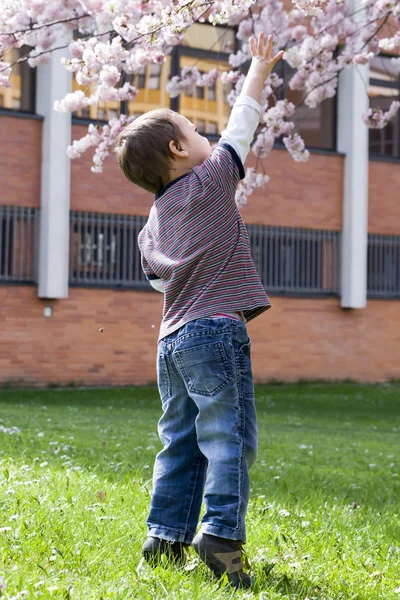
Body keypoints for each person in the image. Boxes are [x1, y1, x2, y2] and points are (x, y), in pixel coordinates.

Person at [115, 32, 283, 589]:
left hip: (171, 341)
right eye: (194, 132)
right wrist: (258, 68)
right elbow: (242, 126)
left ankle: (164, 536)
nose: (206, 136)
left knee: (181, 438)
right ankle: (221, 538)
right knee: (229, 438)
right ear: (178, 152)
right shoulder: (209, 183)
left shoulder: (151, 224)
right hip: (215, 332)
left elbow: (159, 282)